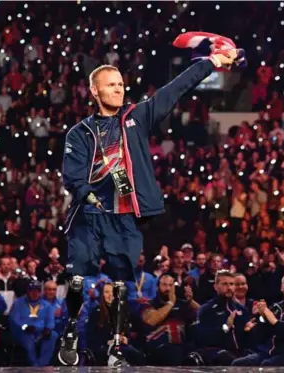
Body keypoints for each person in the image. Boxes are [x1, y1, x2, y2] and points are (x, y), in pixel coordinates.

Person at [58, 48, 241, 366]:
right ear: (94, 91)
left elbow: (176, 88)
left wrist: (212, 62)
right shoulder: (80, 133)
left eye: (120, 84)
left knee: (119, 281)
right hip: (89, 214)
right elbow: (73, 177)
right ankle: (71, 331)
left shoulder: (136, 118)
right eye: (111, 84)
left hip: (124, 216)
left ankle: (116, 345)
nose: (118, 88)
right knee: (77, 276)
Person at [140, 273, 199, 365]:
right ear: (157, 287)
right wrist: (171, 303)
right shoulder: (149, 304)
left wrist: (191, 301)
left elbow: (203, 314)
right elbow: (152, 320)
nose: (168, 288)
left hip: (181, 346)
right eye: (164, 284)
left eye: (170, 285)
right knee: (173, 351)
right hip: (158, 346)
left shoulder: (181, 303)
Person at [195, 269, 249, 365]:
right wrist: (225, 328)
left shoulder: (241, 309)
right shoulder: (207, 309)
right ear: (216, 286)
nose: (229, 287)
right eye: (225, 284)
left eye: (232, 284)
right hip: (215, 353)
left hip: (240, 353)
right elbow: (203, 339)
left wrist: (250, 330)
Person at [9, 280, 58, 367]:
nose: (35, 293)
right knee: (28, 338)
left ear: (40, 292)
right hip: (24, 332)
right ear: (27, 291)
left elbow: (50, 320)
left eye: (37, 291)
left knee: (53, 335)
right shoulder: (18, 303)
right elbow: (14, 320)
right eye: (32, 290)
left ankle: (42, 364)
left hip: (41, 332)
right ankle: (35, 365)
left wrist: (48, 328)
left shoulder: (46, 305)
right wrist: (24, 327)